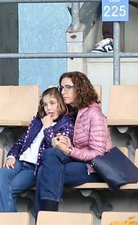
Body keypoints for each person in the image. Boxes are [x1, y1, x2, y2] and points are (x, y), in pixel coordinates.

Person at [36, 72, 112, 213]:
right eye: (61, 87)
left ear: (79, 88)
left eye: (68, 87)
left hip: (94, 167)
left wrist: (69, 150)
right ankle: (47, 219)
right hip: (78, 160)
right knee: (50, 155)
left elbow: (98, 153)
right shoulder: (74, 112)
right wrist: (68, 144)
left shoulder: (94, 114)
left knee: (44, 172)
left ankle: (46, 218)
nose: (63, 92)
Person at [0, 86, 71, 213]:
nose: (48, 108)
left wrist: (48, 127)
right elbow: (21, 141)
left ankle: (5, 224)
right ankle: (0, 222)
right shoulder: (38, 121)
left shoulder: (66, 125)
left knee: (9, 188)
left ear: (61, 104)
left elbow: (54, 149)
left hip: (34, 168)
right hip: (20, 161)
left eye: (52, 103)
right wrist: (11, 156)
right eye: (45, 104)